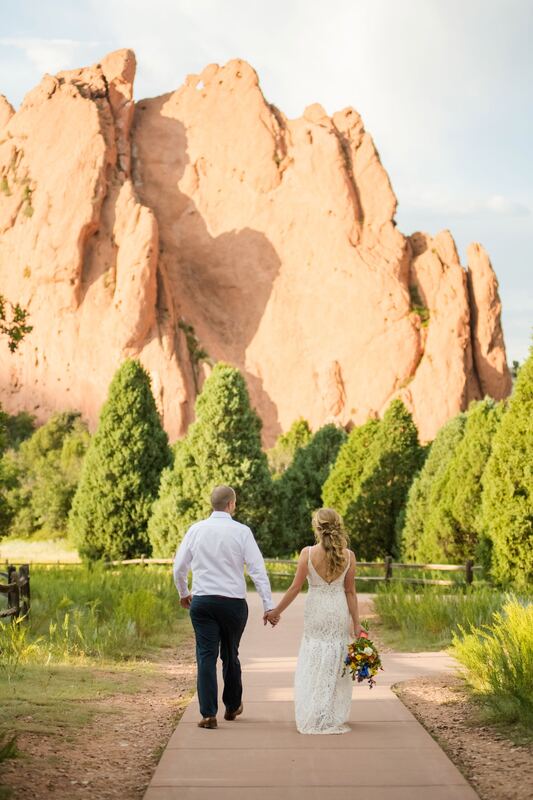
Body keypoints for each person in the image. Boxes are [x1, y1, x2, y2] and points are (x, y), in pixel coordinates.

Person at [173, 485, 275, 729]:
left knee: (206, 656)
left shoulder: (196, 530)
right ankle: (232, 705)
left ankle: (208, 713)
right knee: (230, 654)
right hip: (232, 604)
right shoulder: (242, 532)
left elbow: (179, 568)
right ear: (231, 504)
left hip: (203, 601)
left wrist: (184, 593)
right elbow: (257, 570)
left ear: (213, 504)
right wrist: (268, 605)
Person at [265, 507, 364, 734]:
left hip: (316, 611)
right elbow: (350, 592)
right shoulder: (349, 556)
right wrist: (356, 623)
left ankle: (316, 709)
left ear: (316, 528)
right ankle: (328, 711)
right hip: (337, 611)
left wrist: (276, 611)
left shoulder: (307, 554)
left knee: (315, 657)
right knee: (335, 658)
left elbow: (295, 587)